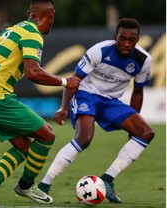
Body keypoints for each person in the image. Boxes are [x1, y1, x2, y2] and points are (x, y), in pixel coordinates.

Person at [0, 0, 80, 207]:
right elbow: (33, 72)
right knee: (47, 135)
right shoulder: (33, 35)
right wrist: (66, 82)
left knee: (23, 147)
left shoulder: (13, 29)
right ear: (51, 15)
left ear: (29, 13)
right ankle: (26, 185)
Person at [38, 18, 155, 204]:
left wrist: (133, 126)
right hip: (86, 94)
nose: (126, 43)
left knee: (146, 132)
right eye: (122, 38)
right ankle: (43, 186)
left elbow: (138, 92)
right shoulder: (99, 50)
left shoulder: (144, 60)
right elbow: (74, 79)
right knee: (84, 138)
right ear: (114, 37)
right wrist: (64, 107)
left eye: (131, 40)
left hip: (111, 102)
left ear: (137, 40)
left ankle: (107, 180)